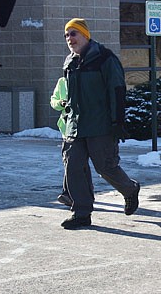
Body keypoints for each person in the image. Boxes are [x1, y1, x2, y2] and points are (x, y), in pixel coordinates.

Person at [59, 18, 141, 229]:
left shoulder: (105, 58)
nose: (70, 38)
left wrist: (117, 121)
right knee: (74, 168)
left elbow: (117, 90)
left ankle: (130, 190)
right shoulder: (69, 62)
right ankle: (81, 213)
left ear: (85, 35)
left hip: (100, 125)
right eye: (67, 35)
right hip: (76, 125)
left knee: (105, 167)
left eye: (73, 33)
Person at [50, 76, 92, 208]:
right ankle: (70, 193)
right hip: (67, 127)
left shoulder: (86, 81)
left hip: (83, 126)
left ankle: (71, 194)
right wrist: (61, 103)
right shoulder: (62, 82)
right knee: (72, 161)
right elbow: (53, 101)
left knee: (75, 162)